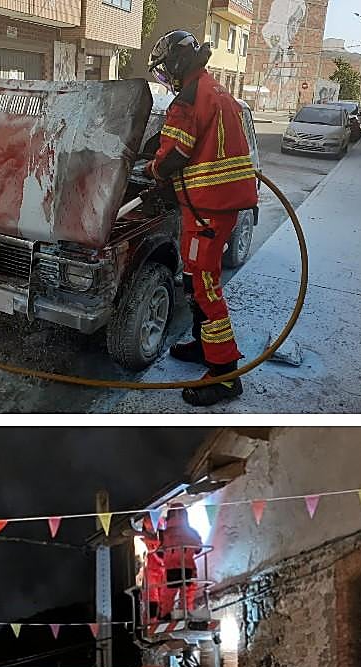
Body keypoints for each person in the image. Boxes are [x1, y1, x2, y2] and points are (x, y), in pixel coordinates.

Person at [146, 30, 258, 407]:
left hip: (207, 209)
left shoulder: (189, 98)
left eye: (165, 72)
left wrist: (154, 171)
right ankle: (205, 346)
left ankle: (225, 375)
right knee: (196, 279)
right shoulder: (214, 88)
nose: (168, 79)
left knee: (204, 287)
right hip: (220, 205)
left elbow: (176, 151)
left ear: (176, 64)